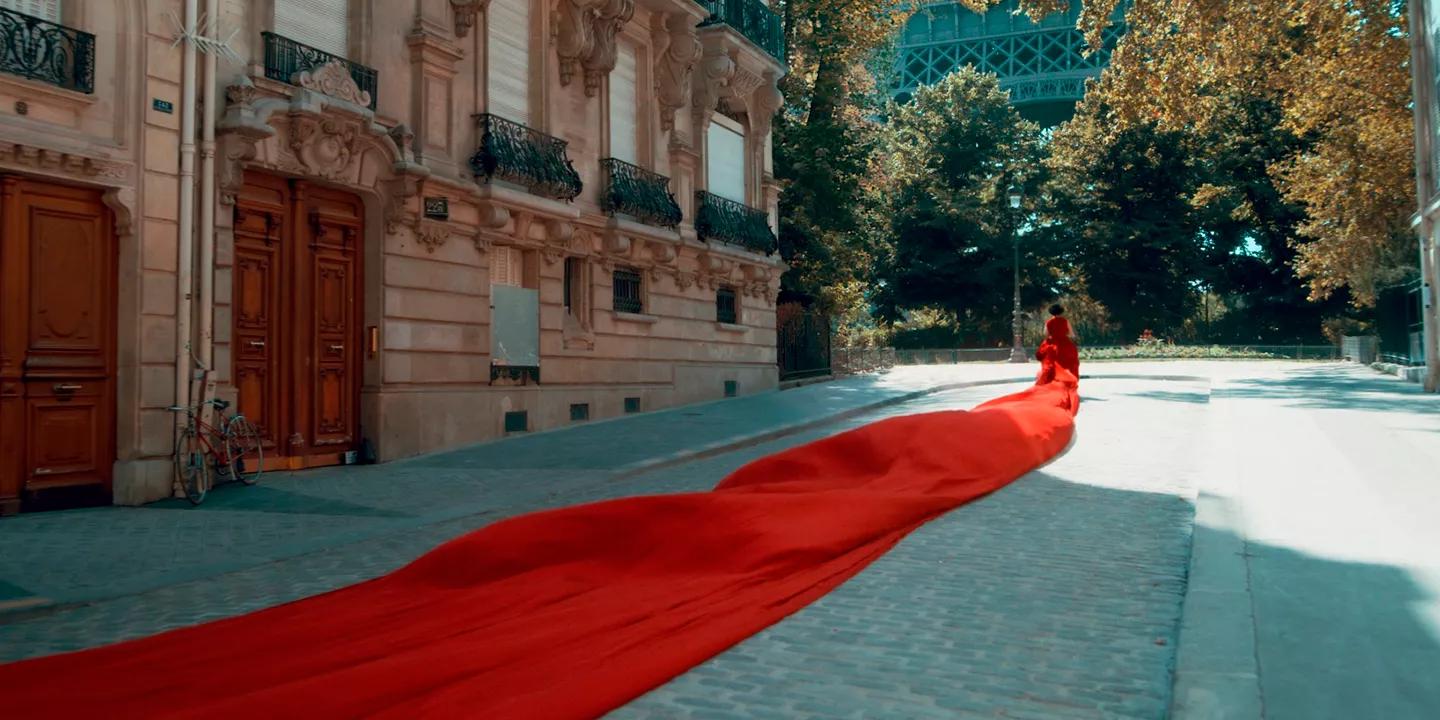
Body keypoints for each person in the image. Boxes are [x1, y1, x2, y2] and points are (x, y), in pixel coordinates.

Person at [1035, 304, 1080, 383]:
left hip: (1052, 343)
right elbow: (1072, 334)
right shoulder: (1065, 321)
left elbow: (1045, 334)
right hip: (1065, 343)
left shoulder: (1048, 322)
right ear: (1061, 312)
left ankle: (1053, 381)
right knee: (1069, 363)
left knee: (1051, 364)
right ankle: (1067, 380)